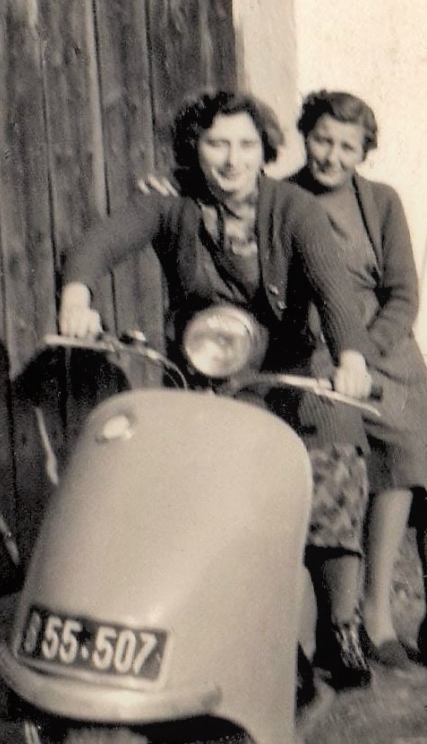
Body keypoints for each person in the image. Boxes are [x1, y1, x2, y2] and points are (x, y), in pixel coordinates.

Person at [59, 89, 376, 698]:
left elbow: (334, 291)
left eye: (245, 145)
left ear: (265, 150)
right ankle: (243, 637)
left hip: (294, 378)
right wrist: (78, 294)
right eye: (216, 144)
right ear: (194, 149)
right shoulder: (171, 204)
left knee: (331, 476)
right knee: (209, 509)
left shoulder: (294, 209)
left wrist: (352, 360)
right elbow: (96, 245)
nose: (231, 159)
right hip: (209, 379)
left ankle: (341, 626)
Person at [291, 90, 427, 678]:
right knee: (397, 459)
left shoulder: (381, 202)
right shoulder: (283, 199)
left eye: (347, 146)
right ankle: (375, 617)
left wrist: (367, 352)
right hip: (322, 353)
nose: (332, 154)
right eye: (323, 139)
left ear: (364, 151)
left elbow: (404, 293)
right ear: (306, 135)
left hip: (386, 349)